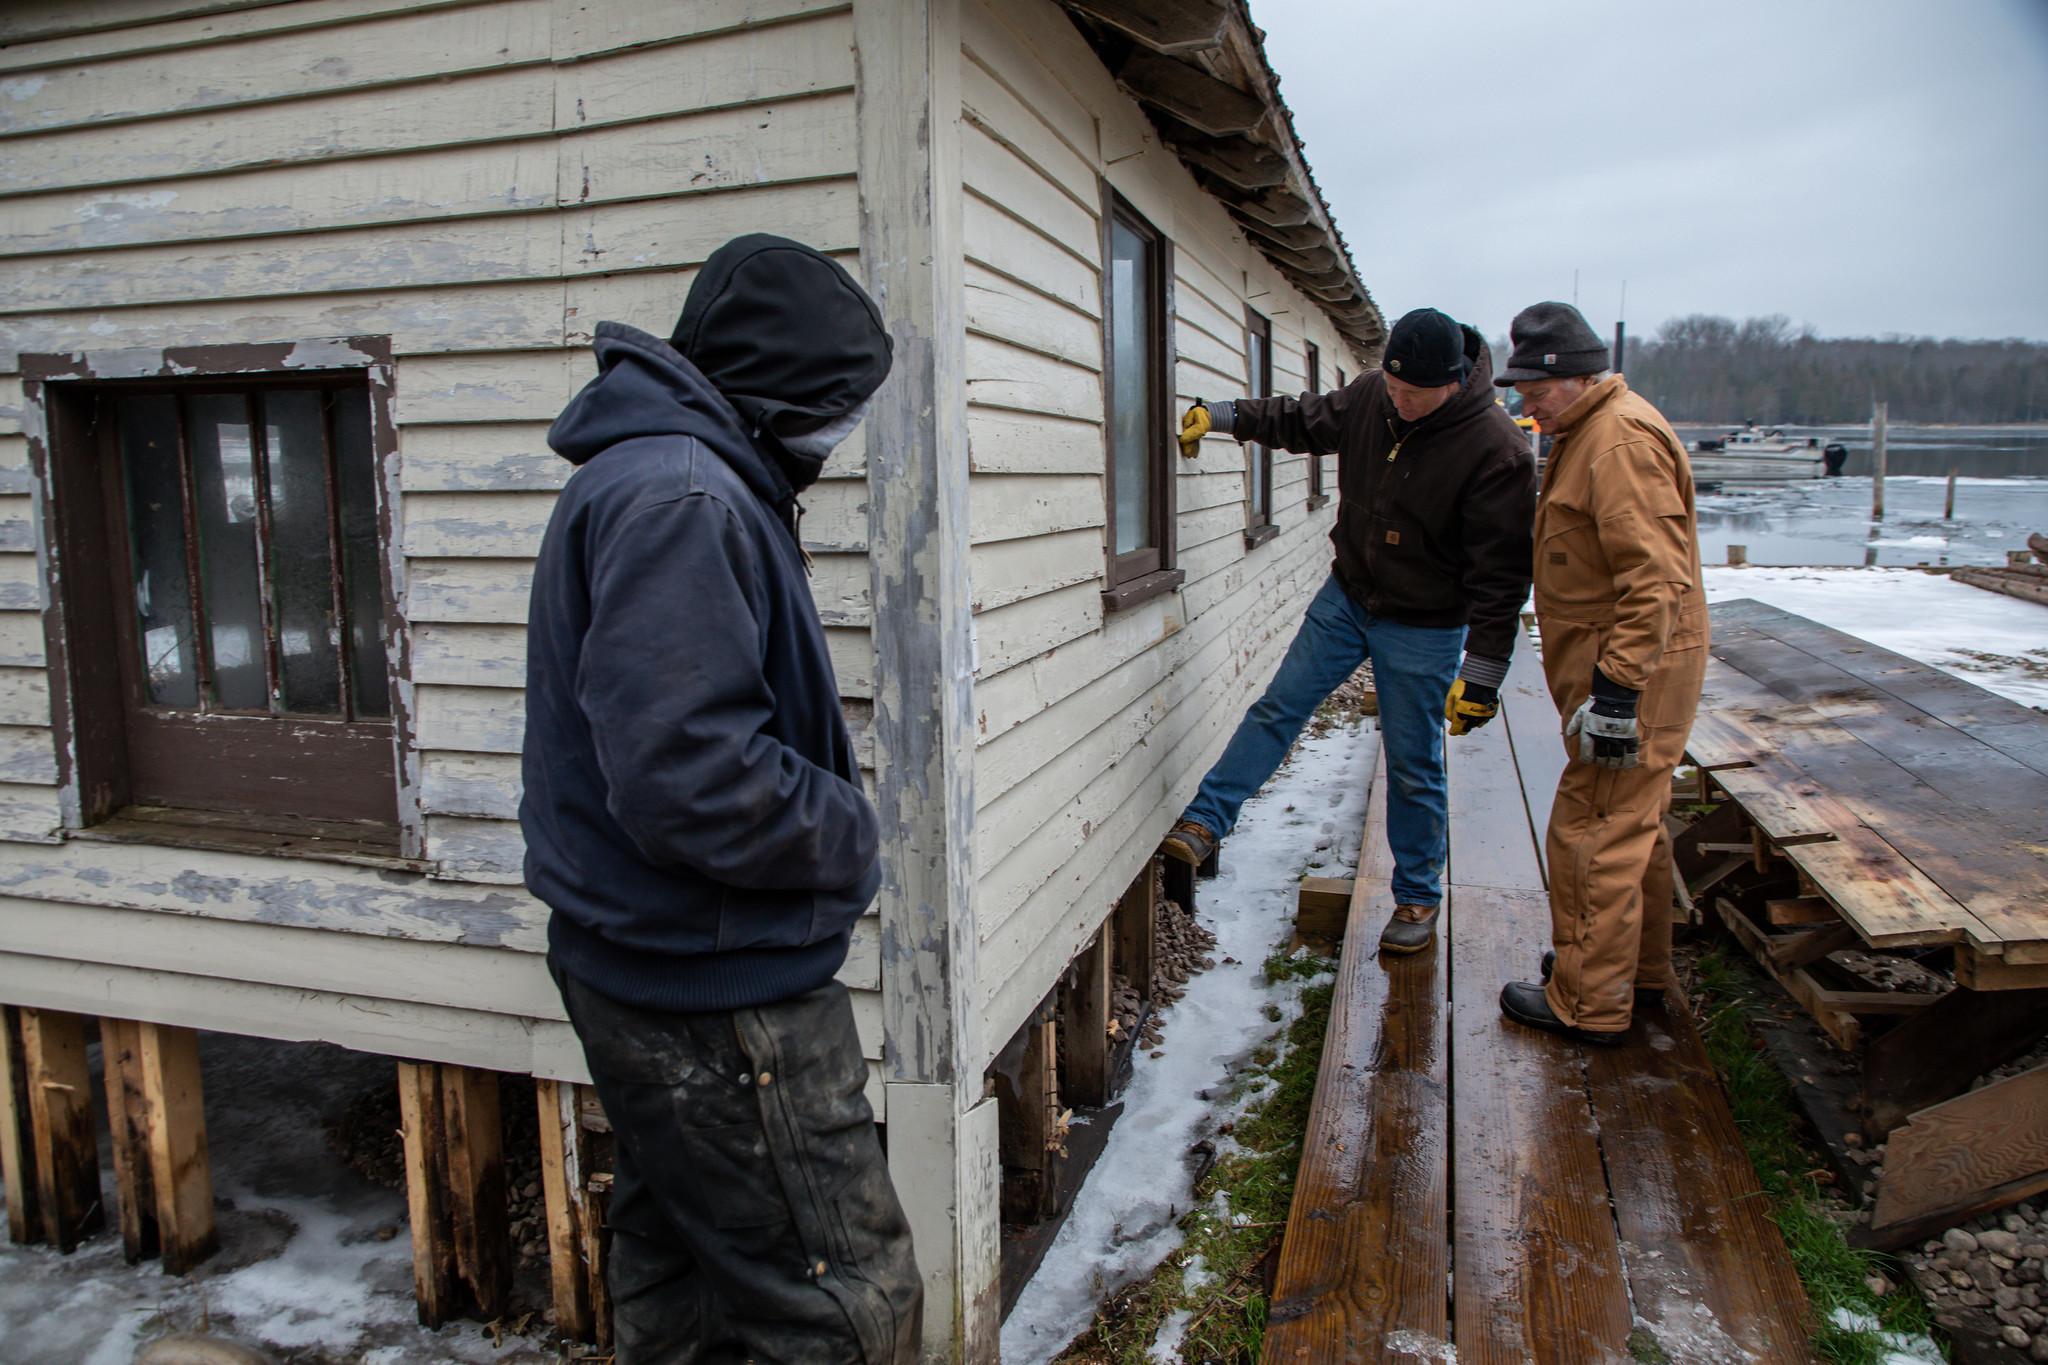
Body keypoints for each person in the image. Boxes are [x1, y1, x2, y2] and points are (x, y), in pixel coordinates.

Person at [521, 234, 922, 1360]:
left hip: (643, 965)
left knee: (692, 1281)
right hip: (711, 991)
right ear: (779, 385)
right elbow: (688, 775)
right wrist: (846, 832)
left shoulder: (657, 471)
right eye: (837, 406)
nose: (837, 434)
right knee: (842, 1304)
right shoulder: (685, 497)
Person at [1163, 308, 1536, 953]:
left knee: (1414, 761)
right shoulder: (1374, 399)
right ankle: (1205, 821)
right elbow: (1301, 419)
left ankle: (1417, 899)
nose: (1399, 402)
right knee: (1280, 706)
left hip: (1424, 624)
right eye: (1392, 388)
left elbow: (1501, 576)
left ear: (1453, 383)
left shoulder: (1496, 449)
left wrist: (1483, 673)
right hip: (1349, 595)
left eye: (1413, 394)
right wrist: (1223, 415)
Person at [1492, 301, 1708, 1045]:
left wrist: (1617, 689)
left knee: (1591, 831)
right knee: (1632, 828)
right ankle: (1627, 972)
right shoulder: (1590, 431)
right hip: (1623, 670)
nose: (1528, 405)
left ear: (1579, 378)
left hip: (1630, 679)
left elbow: (1655, 579)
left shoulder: (1616, 444)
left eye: (1538, 391)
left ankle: (1584, 1000)